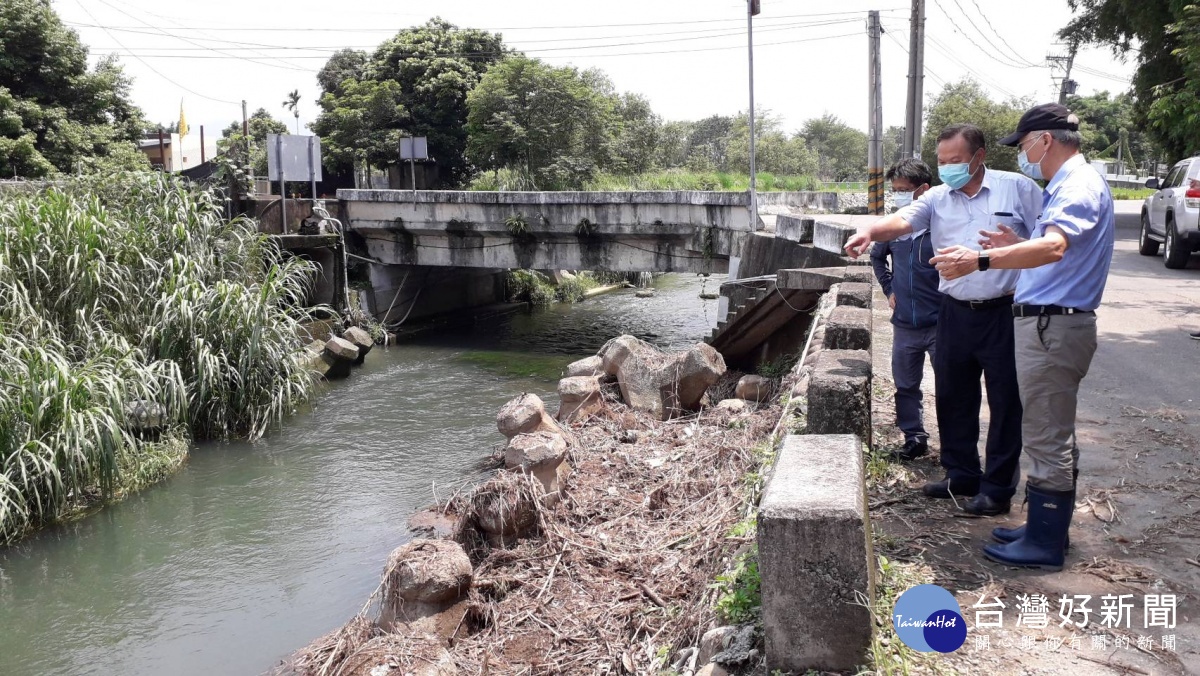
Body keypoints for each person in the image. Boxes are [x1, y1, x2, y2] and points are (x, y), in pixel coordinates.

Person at [931, 103, 1115, 570]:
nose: (1024, 155)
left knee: (1046, 436)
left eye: (1025, 144)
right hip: (1047, 321)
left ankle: (1045, 543)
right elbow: (1051, 247)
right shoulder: (1070, 183)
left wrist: (981, 260)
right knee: (1047, 432)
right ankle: (1042, 529)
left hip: (1054, 325)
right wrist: (1012, 247)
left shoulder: (1075, 184)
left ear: (1045, 140)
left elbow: (1054, 246)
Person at [845, 123, 1042, 517]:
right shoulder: (937, 197)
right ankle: (961, 472)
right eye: (942, 161)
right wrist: (869, 231)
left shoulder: (1018, 189)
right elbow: (904, 222)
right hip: (953, 311)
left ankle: (998, 488)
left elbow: (1048, 240)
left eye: (956, 160)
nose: (948, 167)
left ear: (978, 157)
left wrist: (1016, 247)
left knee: (1006, 402)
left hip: (1004, 311)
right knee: (953, 395)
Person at [870, 158, 941, 461]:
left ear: (923, 190)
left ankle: (954, 446)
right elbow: (876, 258)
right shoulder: (894, 227)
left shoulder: (942, 227)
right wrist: (889, 289)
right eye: (894, 190)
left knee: (951, 386)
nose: (898, 195)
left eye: (903, 190)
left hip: (941, 323)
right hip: (905, 324)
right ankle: (914, 437)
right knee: (905, 385)